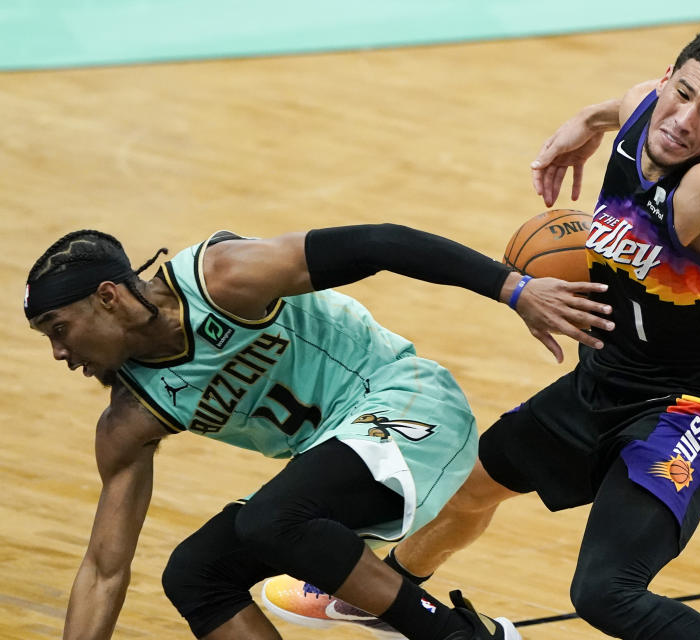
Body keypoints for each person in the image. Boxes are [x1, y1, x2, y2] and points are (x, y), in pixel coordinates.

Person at [265, 23, 700, 640]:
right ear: (667, 79)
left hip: (694, 408)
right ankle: (384, 598)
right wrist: (584, 126)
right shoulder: (647, 103)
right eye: (683, 93)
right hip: (611, 374)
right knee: (469, 485)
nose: (683, 120)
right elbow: (618, 107)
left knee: (605, 593)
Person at [24, 223, 615, 640]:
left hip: (406, 402)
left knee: (270, 519)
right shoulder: (131, 417)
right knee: (196, 573)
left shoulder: (221, 280)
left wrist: (514, 288)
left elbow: (383, 243)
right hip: (335, 460)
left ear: (107, 298)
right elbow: (104, 569)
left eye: (59, 328)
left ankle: (454, 636)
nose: (57, 352)